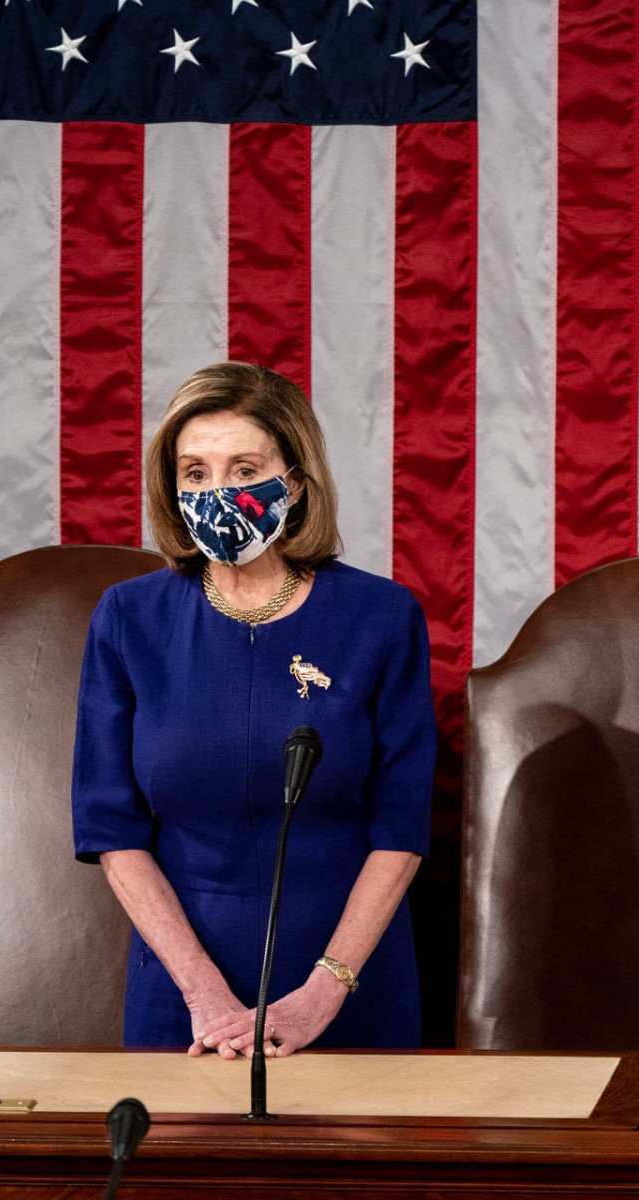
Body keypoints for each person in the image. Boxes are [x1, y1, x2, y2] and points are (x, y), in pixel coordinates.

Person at [70, 362, 435, 1057]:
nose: (218, 494)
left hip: (346, 988)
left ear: (293, 483)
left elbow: (401, 827)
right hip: (184, 995)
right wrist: (203, 995)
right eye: (196, 474)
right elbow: (111, 829)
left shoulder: (381, 617)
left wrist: (322, 993)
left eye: (244, 470)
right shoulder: (128, 620)